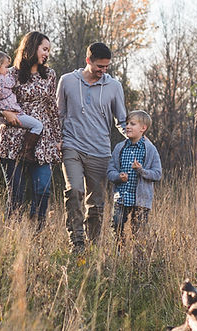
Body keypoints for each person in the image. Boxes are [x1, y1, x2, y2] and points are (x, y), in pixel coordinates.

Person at [0, 31, 61, 231]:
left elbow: (52, 107)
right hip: (12, 137)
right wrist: (4, 113)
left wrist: (57, 138)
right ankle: (12, 236)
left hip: (41, 139)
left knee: (42, 189)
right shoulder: (11, 74)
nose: (47, 54)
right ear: (31, 47)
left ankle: (37, 235)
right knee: (15, 192)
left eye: (48, 50)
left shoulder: (50, 74)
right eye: (44, 49)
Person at [56, 42, 128, 254]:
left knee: (96, 204)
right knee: (74, 190)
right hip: (72, 146)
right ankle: (77, 242)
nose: (103, 71)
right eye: (99, 66)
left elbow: (122, 120)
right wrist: (56, 139)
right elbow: (58, 114)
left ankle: (93, 245)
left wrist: (137, 141)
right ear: (88, 61)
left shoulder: (114, 86)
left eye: (106, 67)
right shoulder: (67, 81)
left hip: (100, 151)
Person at [107, 110, 162, 247]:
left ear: (143, 128)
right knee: (116, 223)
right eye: (126, 124)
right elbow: (110, 170)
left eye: (132, 124)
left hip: (141, 199)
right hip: (121, 196)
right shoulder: (120, 148)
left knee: (139, 231)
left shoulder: (149, 149)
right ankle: (119, 250)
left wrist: (141, 171)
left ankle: (139, 259)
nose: (127, 127)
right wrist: (118, 177)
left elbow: (157, 174)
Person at [0, 49, 43, 161]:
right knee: (38, 125)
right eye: (5, 67)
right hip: (14, 113)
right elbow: (12, 82)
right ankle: (26, 151)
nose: (8, 70)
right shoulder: (0, 81)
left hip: (3, 117)